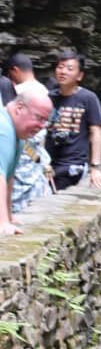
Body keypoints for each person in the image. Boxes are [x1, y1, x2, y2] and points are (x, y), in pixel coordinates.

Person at [46, 52, 101, 193]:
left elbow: (96, 132)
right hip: (49, 163)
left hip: (72, 165)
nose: (63, 71)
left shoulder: (88, 98)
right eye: (61, 67)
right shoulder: (49, 97)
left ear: (79, 76)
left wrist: (95, 167)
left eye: (70, 69)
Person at [1, 81, 53, 236]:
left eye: (45, 120)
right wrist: (2, 223)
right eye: (38, 118)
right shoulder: (3, 130)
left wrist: (9, 215)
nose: (42, 126)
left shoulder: (19, 133)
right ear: (19, 108)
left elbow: (9, 176)